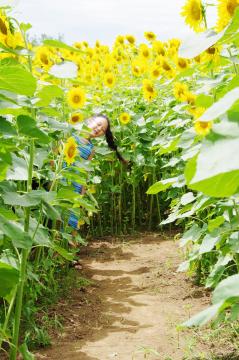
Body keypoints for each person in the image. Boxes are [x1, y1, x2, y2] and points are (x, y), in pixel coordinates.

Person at [66, 114, 127, 234]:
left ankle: (68, 247)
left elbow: (85, 171)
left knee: (72, 218)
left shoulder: (91, 148)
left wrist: (82, 192)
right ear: (90, 120)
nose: (99, 129)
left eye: (103, 129)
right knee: (58, 216)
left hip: (76, 185)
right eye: (98, 124)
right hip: (62, 179)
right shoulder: (70, 133)